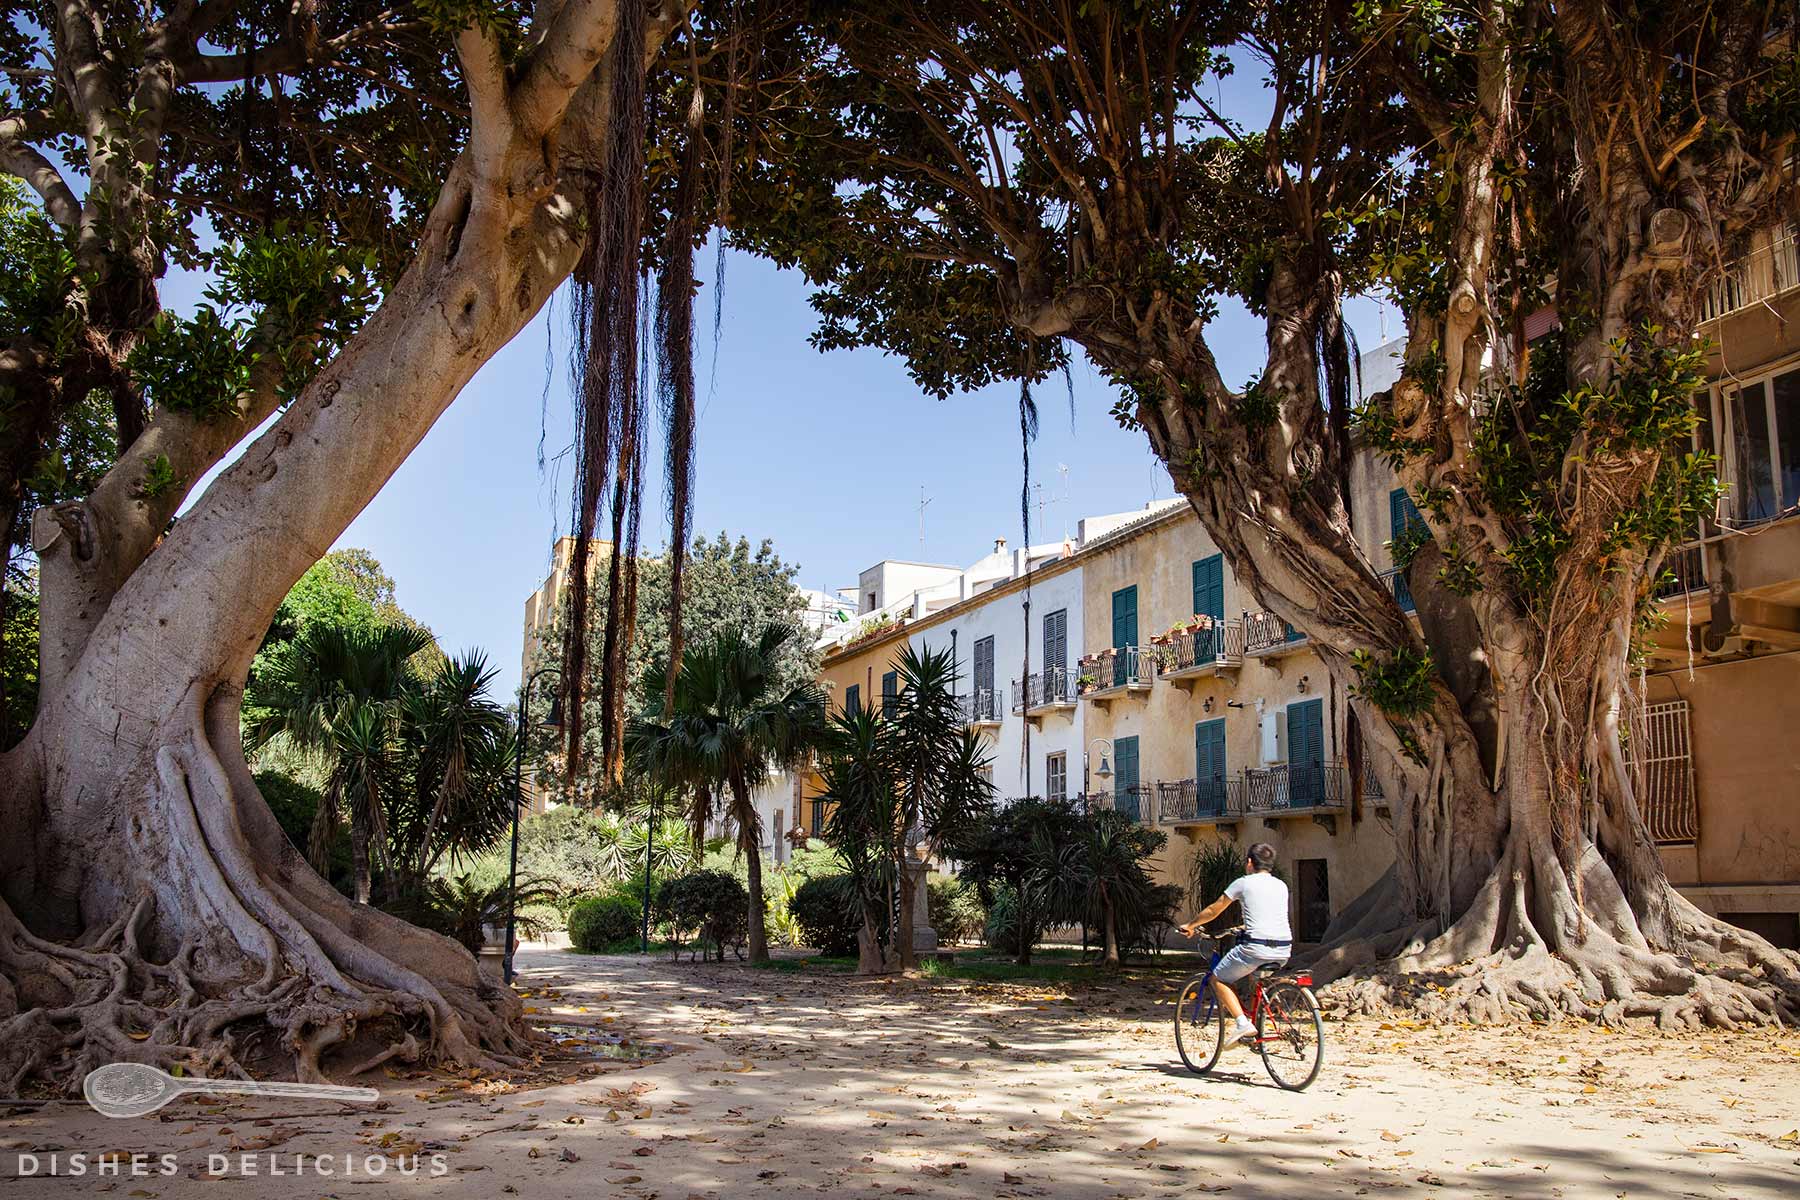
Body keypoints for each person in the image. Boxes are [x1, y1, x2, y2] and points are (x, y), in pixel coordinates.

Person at [1178, 842, 1291, 1045]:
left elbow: (1214, 909)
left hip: (1255, 948)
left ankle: (1242, 1024)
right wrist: (1244, 926)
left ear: (1249, 863)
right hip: (1283, 949)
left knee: (1218, 979)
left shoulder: (1243, 883)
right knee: (1256, 981)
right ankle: (1260, 1025)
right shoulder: (1281, 885)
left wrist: (1192, 925)